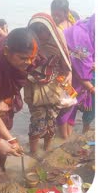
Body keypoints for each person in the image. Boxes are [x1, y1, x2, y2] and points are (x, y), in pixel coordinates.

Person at [0, 28, 36, 176]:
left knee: (2, 133)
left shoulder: (28, 52)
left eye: (31, 58)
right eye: (23, 58)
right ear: (7, 51)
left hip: (2, 100)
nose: (28, 62)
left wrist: (11, 140)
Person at [26, 13, 72, 151]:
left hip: (54, 90)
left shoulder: (58, 43)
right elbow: (22, 69)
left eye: (44, 31)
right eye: (37, 31)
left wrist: (69, 81)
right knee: (37, 124)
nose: (41, 35)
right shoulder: (27, 45)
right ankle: (33, 153)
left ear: (49, 30)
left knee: (51, 125)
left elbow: (67, 67)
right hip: (35, 91)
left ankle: (46, 151)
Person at [57, 15, 95, 137]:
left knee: (72, 107)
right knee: (66, 108)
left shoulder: (84, 32)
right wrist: (92, 89)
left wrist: (92, 64)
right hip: (66, 80)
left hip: (76, 82)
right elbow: (80, 71)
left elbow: (84, 62)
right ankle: (64, 138)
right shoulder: (81, 37)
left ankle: (66, 137)